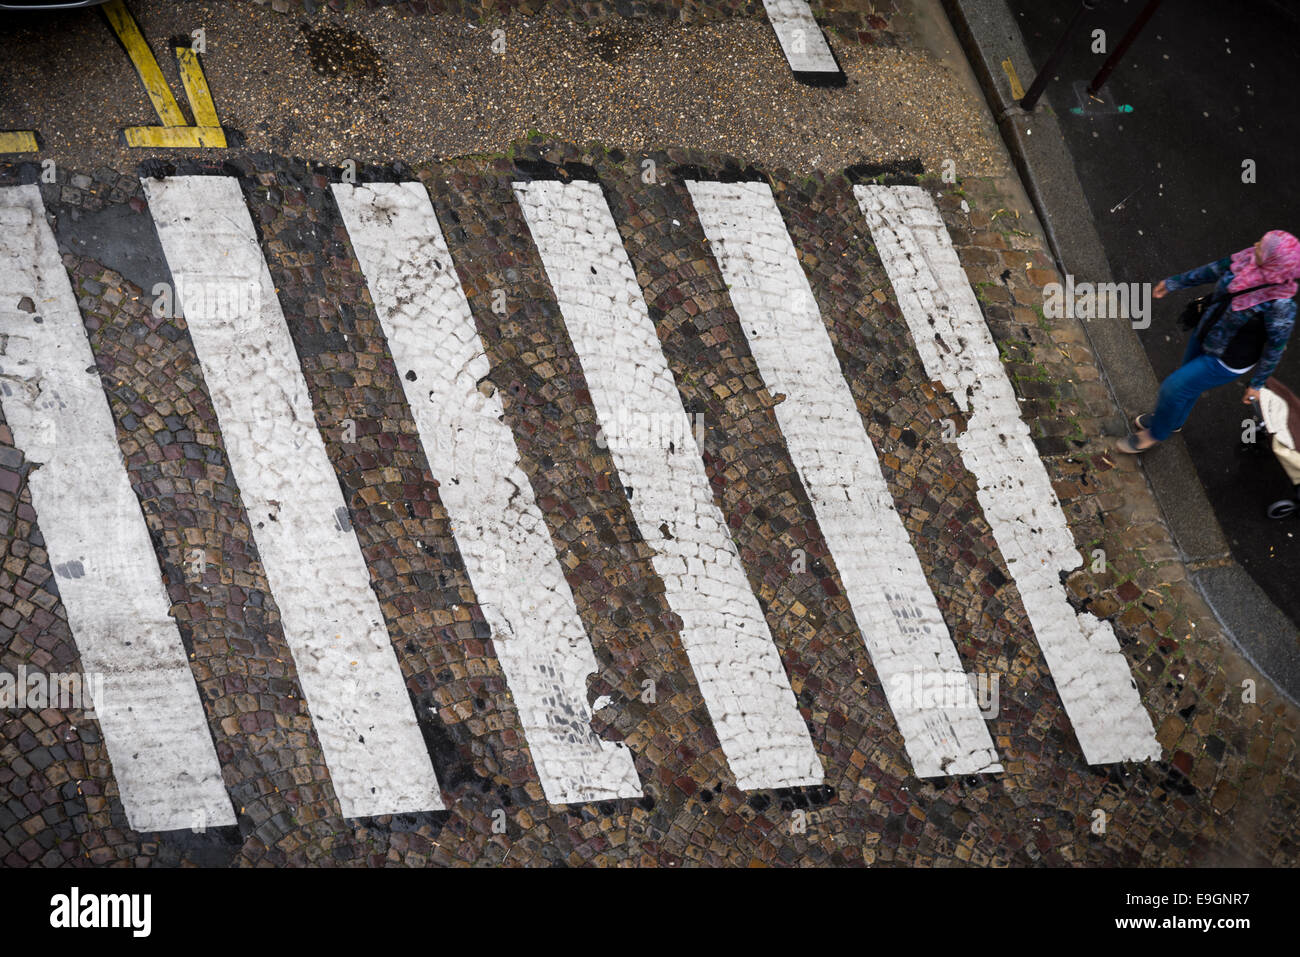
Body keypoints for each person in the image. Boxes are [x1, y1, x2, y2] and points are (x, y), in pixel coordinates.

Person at [1117, 230, 1300, 454]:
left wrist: (1257, 383)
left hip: (1227, 359)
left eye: (1262, 247)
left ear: (1276, 262)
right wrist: (1174, 283)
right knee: (1187, 387)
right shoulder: (1247, 258)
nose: (1255, 245)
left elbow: (1276, 347)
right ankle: (1172, 422)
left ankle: (1156, 433)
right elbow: (1212, 270)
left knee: (1172, 389)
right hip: (1206, 333)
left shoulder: (1281, 305)